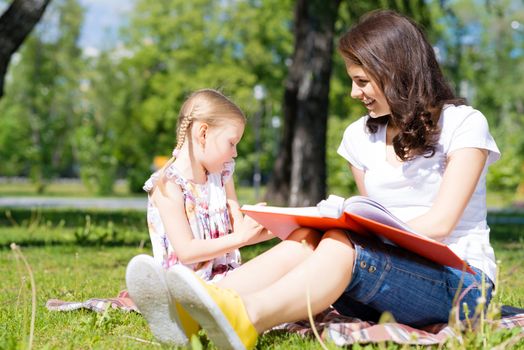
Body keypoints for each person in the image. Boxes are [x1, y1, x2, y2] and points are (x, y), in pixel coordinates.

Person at [156, 9, 501, 350]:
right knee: (310, 235)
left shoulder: (463, 124)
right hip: (381, 278)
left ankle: (246, 317)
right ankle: (198, 308)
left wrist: (354, 230)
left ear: (396, 73)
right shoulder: (358, 137)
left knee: (340, 241)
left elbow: (441, 223)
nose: (354, 92)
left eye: (362, 81)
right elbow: (372, 216)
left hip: (461, 282)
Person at [125, 88, 322, 346]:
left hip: (227, 280)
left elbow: (239, 230)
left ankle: (191, 315)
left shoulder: (222, 174)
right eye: (232, 143)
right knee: (299, 269)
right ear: (203, 133)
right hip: (192, 285)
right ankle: (183, 308)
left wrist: (279, 225)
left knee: (306, 240)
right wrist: (240, 237)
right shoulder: (168, 185)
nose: (235, 153)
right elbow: (187, 251)